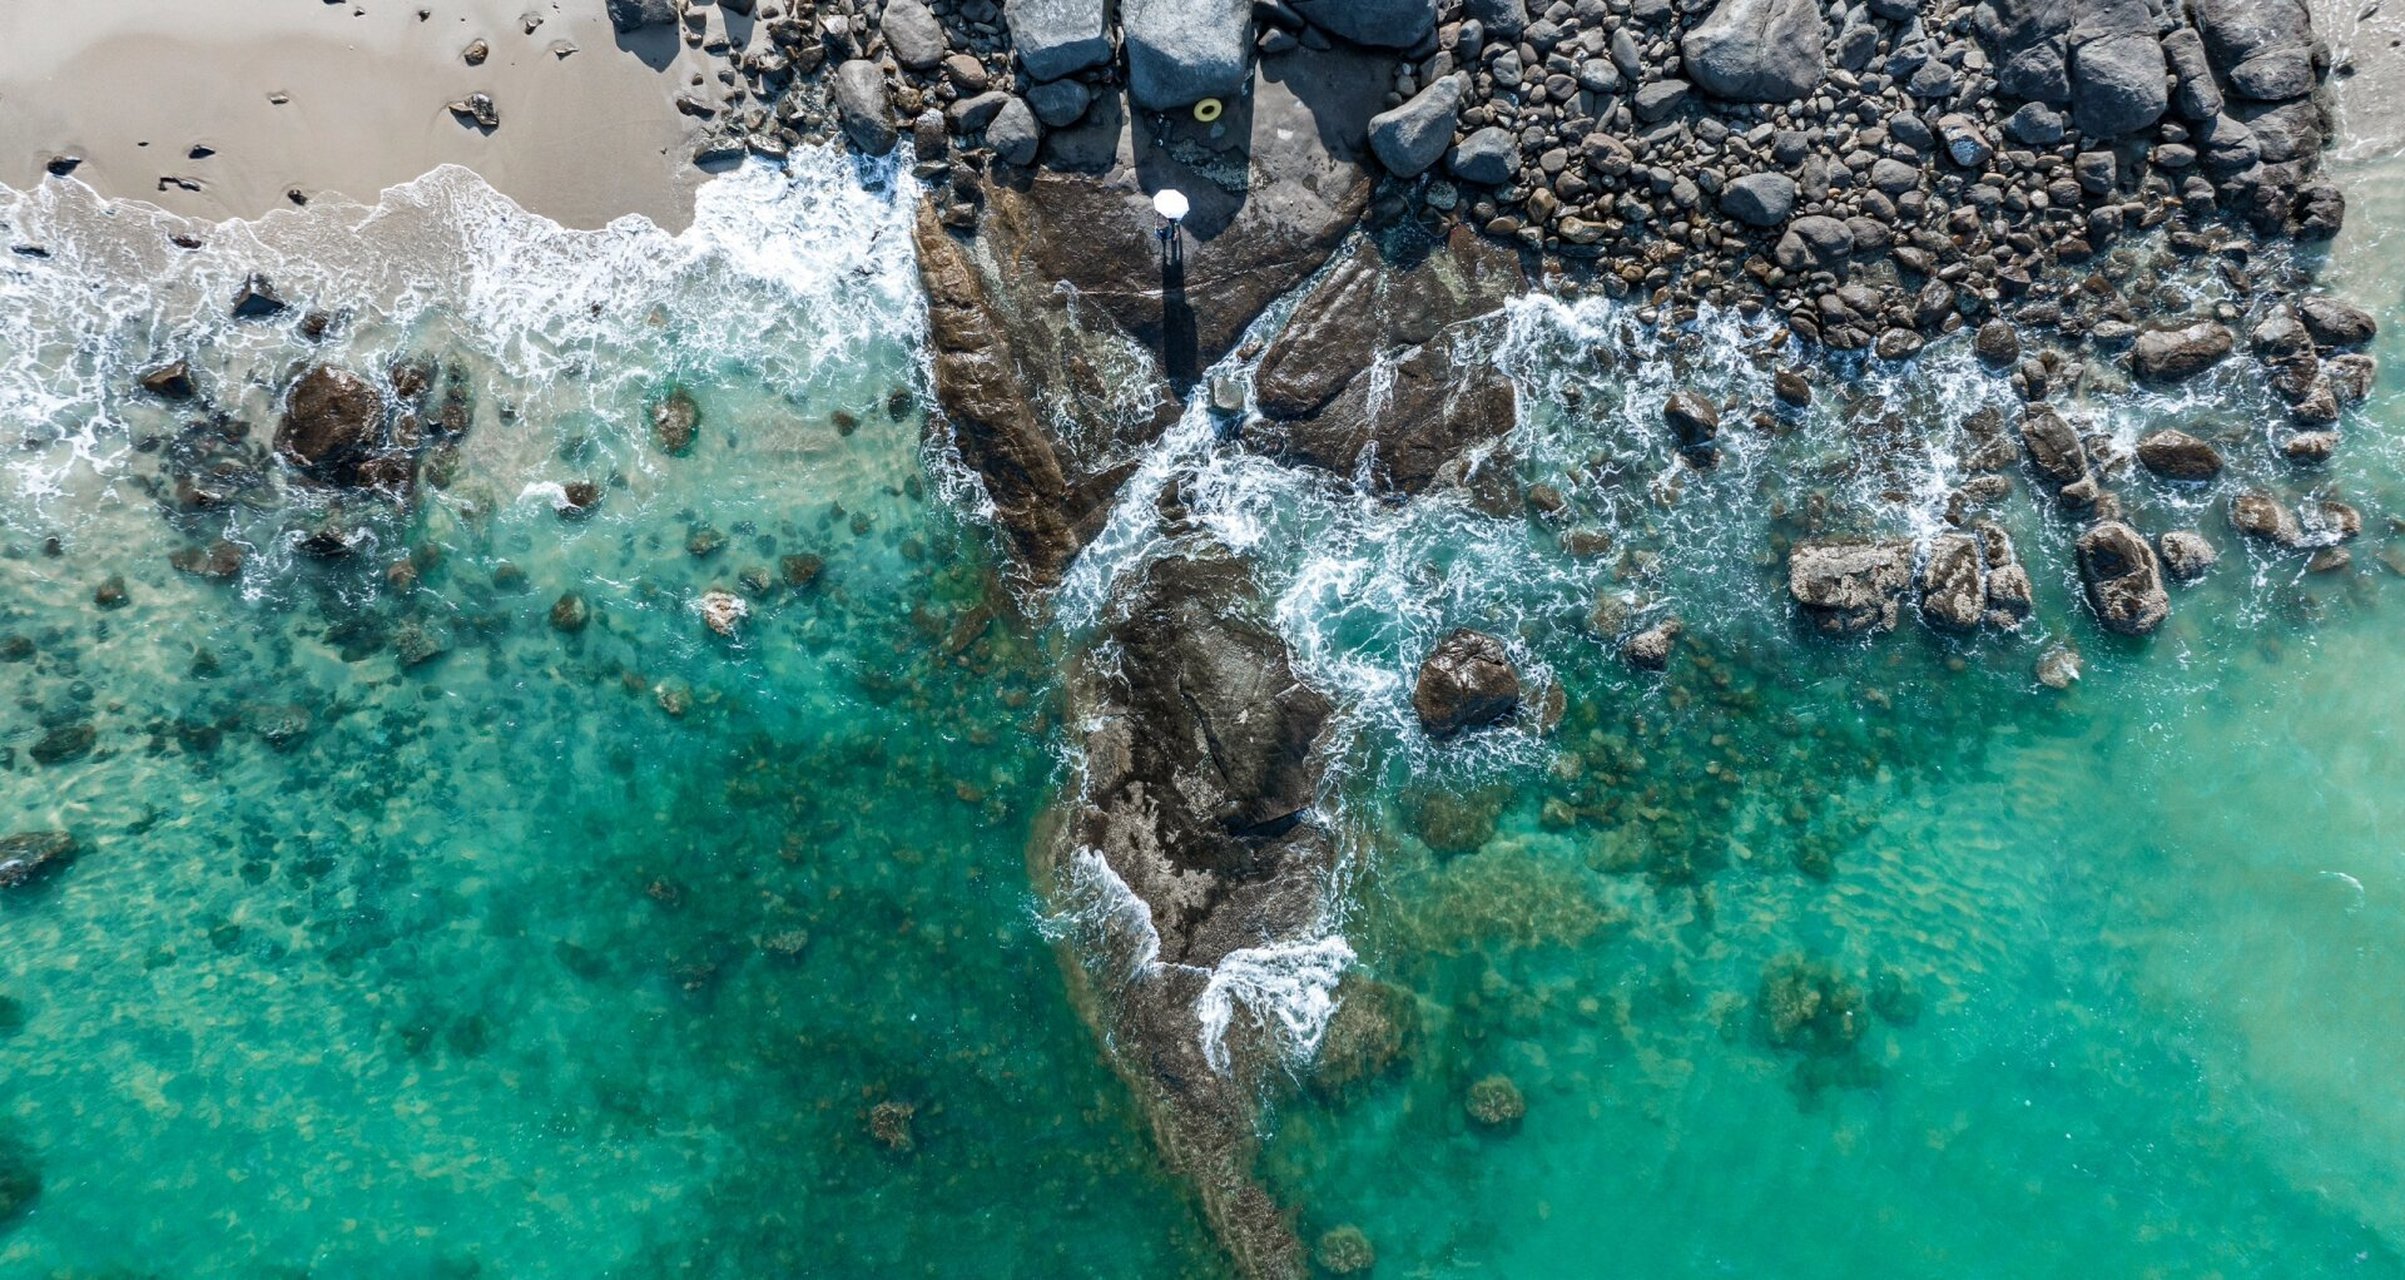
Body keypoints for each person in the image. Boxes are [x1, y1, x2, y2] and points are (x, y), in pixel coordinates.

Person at [1153, 188, 1189, 264]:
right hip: (1170, 225)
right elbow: (1175, 222)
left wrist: (1160, 223)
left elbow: (1157, 224)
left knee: (1167, 233)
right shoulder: (1177, 213)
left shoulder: (1163, 210)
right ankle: (1173, 237)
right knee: (1172, 230)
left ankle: (1166, 240)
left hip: (1167, 226)